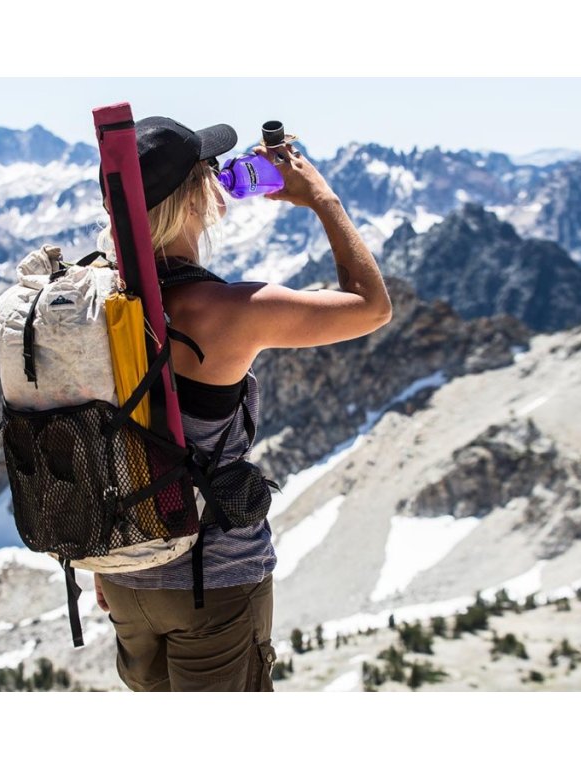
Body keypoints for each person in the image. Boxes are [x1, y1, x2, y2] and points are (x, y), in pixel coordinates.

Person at [93, 116, 392, 692]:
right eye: (208, 170)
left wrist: (104, 560)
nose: (219, 177)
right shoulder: (226, 310)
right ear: (193, 200)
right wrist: (321, 197)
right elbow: (372, 306)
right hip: (214, 579)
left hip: (126, 573)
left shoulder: (98, 301)